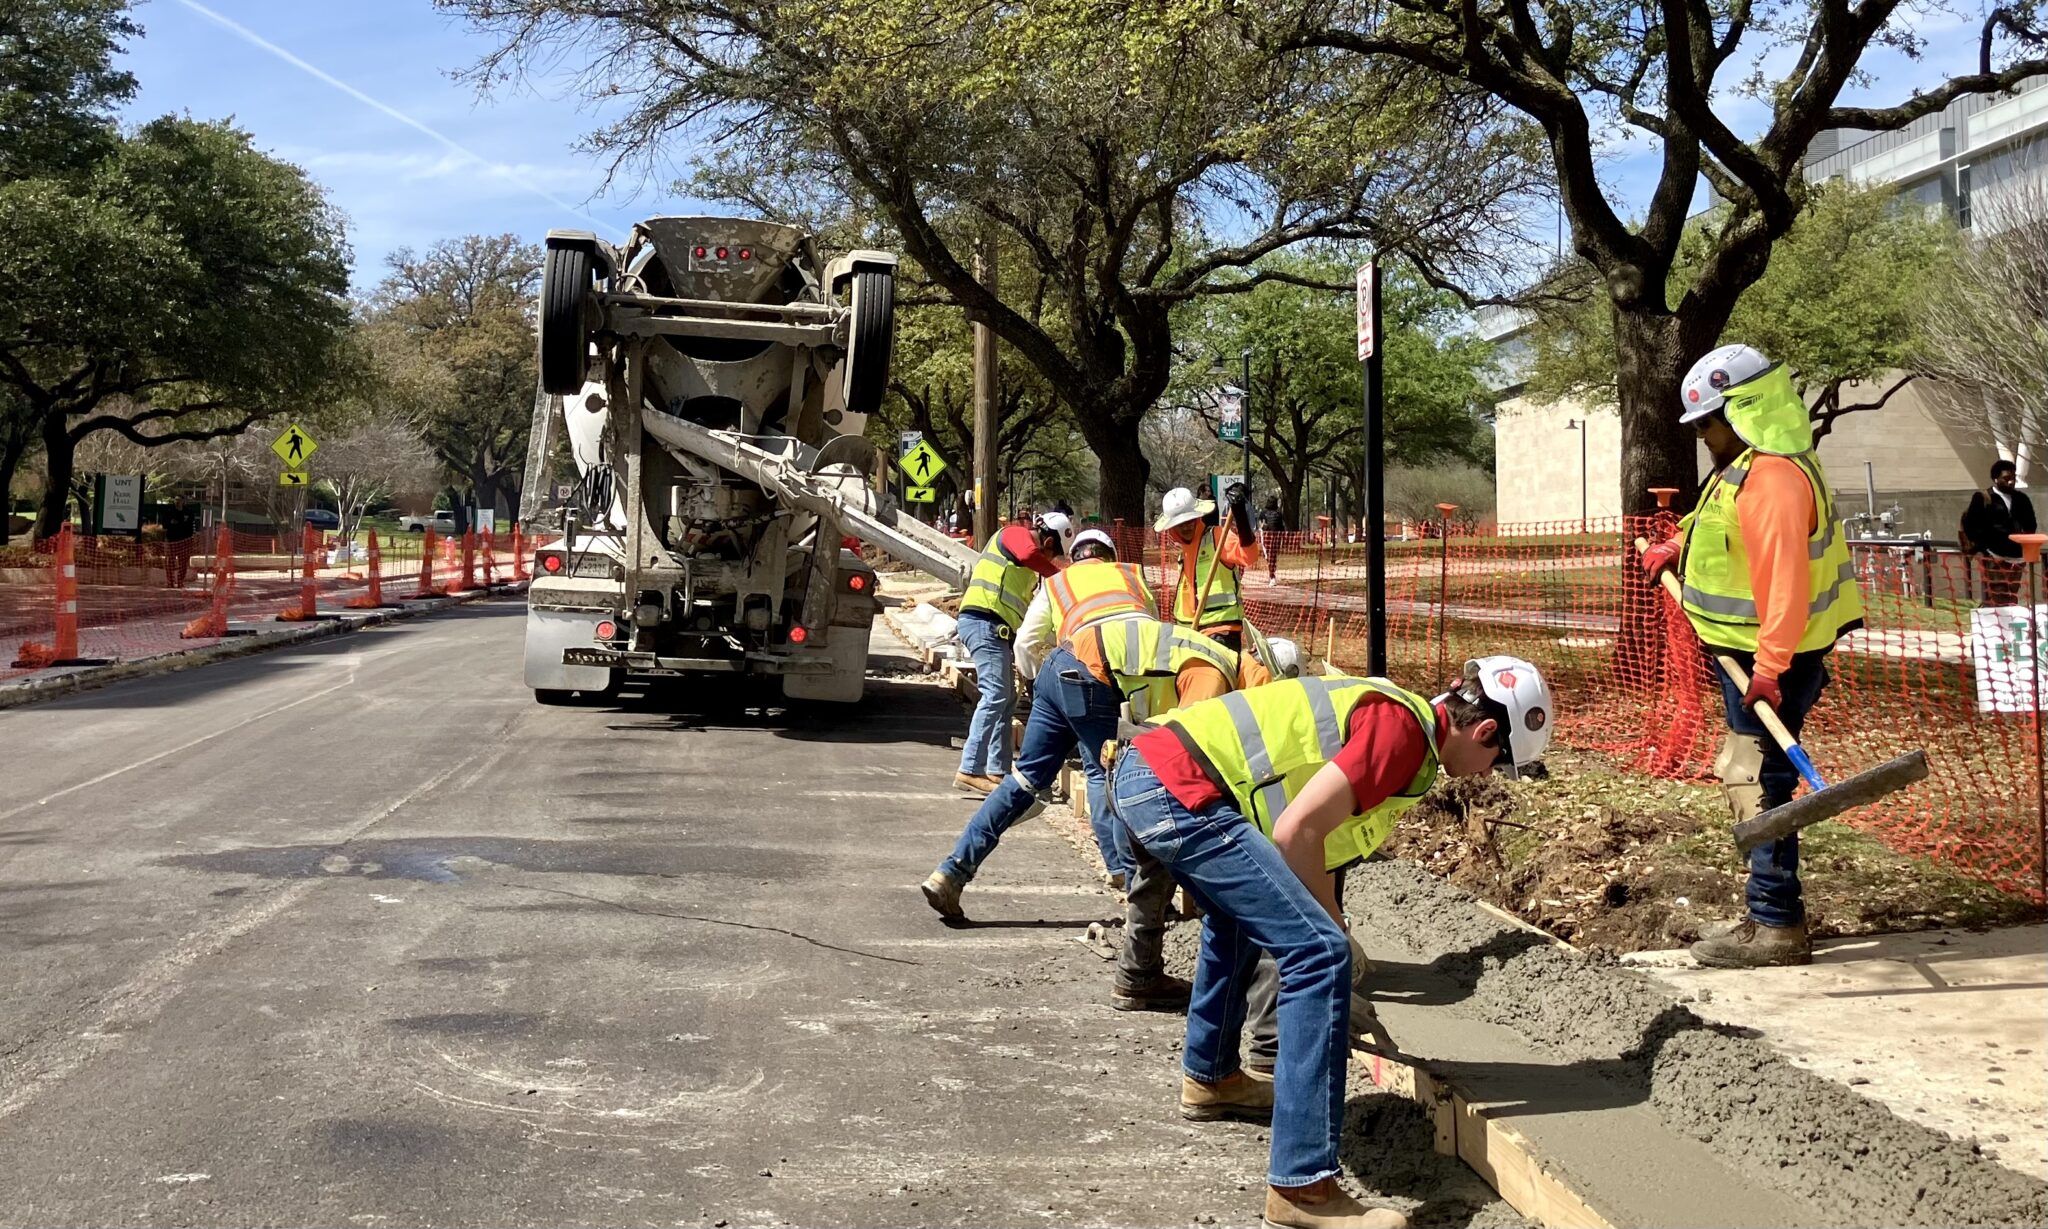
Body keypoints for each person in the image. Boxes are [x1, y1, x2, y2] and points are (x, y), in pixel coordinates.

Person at [1107, 658, 1554, 1229]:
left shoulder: (1397, 713)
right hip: (1176, 789)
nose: (1486, 775)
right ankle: (1304, 1189)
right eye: (1498, 762)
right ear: (1486, 731)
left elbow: (1300, 837)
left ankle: (1212, 1078)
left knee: (1238, 916)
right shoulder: (1403, 735)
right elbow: (1298, 832)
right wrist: (1335, 947)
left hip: (1155, 772)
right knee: (1317, 956)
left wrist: (1331, 921)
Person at [1642, 343, 1864, 969]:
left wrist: (1768, 669)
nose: (1703, 437)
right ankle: (1763, 909)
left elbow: (1785, 582)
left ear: (1742, 411)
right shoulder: (1750, 465)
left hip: (1770, 665)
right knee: (1752, 774)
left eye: (1707, 423)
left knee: (1758, 779)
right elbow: (1720, 520)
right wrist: (1676, 547)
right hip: (1745, 655)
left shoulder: (1774, 478)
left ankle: (1775, 922)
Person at [923, 613, 1241, 1013]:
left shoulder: (1201, 651)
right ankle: (1139, 926)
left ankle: (951, 873)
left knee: (1024, 780)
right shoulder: (1215, 676)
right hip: (1092, 678)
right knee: (1131, 786)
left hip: (1062, 662)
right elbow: (1184, 756)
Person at [1015, 528, 1158, 862]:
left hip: (1078, 677)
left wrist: (1036, 687)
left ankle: (1115, 862)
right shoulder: (1131, 576)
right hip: (1130, 680)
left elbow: (1024, 643)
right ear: (1110, 556)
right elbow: (1152, 631)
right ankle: (1128, 864)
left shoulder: (1058, 583)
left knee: (1096, 770)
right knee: (1121, 769)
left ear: (1074, 556)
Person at [952, 511, 1072, 794]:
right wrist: (1062, 577)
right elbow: (1030, 554)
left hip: (997, 629)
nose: (1050, 559)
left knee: (1007, 699)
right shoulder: (1015, 535)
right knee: (995, 695)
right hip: (983, 622)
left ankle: (998, 769)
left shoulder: (1027, 564)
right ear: (1050, 541)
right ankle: (970, 768)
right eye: (1054, 554)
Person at [1158, 484, 1262, 651]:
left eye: (1189, 521)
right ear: (1171, 527)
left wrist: (1240, 514)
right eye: (1180, 523)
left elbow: (1249, 556)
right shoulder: (1184, 554)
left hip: (1220, 630)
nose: (1186, 527)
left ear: (1197, 517)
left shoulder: (1217, 537)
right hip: (1190, 633)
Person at [1960, 459, 2037, 606]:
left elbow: (2030, 525)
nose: (2011, 482)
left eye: (2013, 478)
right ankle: (1997, 623)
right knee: (1999, 593)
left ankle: (2001, 623)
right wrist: (1986, 550)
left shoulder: (2022, 499)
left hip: (2017, 556)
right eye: (2006, 478)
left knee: (2012, 594)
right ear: (1996, 479)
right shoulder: (1983, 497)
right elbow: (1972, 526)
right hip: (1994, 556)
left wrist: (2024, 544)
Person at [160, 499, 196, 588]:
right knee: (169, 561)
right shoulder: (169, 511)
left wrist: (190, 538)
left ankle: (180, 582)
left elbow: (191, 526)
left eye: (179, 500)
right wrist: (171, 523)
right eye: (175, 500)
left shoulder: (188, 512)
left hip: (184, 541)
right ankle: (170, 582)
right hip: (171, 540)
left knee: (183, 562)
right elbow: (164, 524)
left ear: (183, 502)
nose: (177, 502)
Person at [1260, 496, 1285, 583]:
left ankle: (1271, 574)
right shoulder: (1279, 513)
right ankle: (1272, 574)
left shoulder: (1263, 512)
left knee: (1269, 555)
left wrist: (1263, 527)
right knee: (1273, 555)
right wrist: (1283, 537)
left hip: (1267, 535)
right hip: (1277, 535)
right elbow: (1282, 526)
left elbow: (1261, 524)